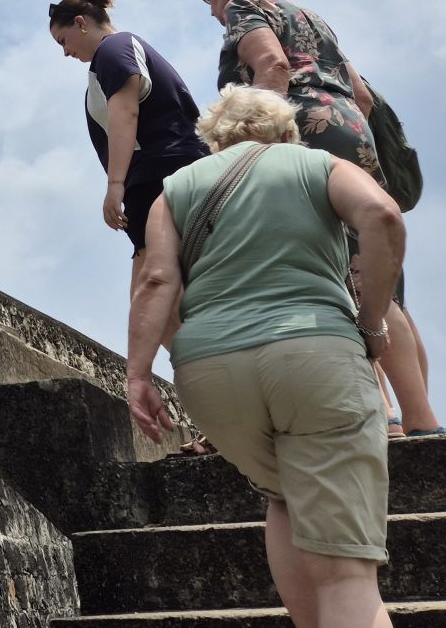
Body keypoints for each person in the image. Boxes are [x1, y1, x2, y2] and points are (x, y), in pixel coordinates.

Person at [127, 85, 405, 628]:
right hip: (314, 356)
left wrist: (138, 375)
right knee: (346, 575)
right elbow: (382, 215)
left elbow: (155, 279)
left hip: (211, 373)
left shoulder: (174, 189)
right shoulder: (316, 165)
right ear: (286, 130)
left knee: (282, 496)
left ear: (214, 139)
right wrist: (372, 322)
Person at [198, 0, 443, 438]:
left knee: (339, 271)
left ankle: (395, 417)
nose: (211, 9)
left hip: (302, 132)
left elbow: (273, 66)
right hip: (352, 131)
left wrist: (263, 143)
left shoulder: (245, 8)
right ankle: (413, 415)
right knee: (376, 274)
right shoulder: (311, 17)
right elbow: (362, 96)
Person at [48, 0, 208, 299]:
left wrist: (115, 185)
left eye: (63, 41)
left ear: (80, 23)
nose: (65, 52)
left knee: (153, 292)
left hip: (161, 176)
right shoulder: (111, 56)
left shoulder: (113, 48)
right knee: (154, 292)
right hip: (159, 176)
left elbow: (125, 114)